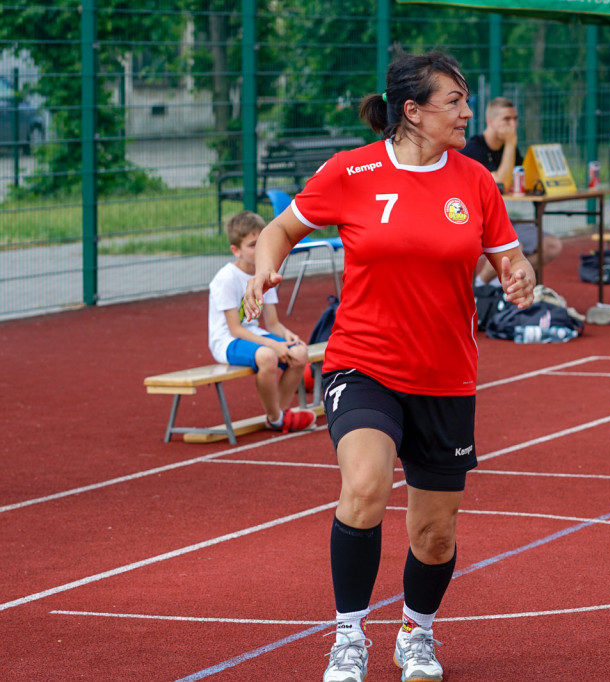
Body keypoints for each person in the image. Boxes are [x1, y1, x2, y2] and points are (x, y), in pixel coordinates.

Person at [242, 50, 535, 682]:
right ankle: (348, 637)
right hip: (363, 362)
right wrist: (267, 265)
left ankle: (416, 634)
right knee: (367, 487)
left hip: (446, 373)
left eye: (465, 100)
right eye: (453, 102)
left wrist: (520, 276)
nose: (467, 112)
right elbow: (279, 230)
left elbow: (509, 256)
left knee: (434, 533)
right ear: (412, 110)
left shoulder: (476, 181)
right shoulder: (352, 171)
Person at [207, 210, 316, 433]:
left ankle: (280, 414)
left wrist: (286, 335)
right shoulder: (226, 278)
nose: (258, 250)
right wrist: (273, 345)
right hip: (226, 341)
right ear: (235, 250)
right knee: (267, 356)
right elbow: (235, 329)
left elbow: (273, 323)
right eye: (252, 245)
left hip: (254, 334)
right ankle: (276, 417)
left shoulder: (264, 274)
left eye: (261, 243)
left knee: (299, 352)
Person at [461, 96, 563, 285]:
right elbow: (502, 184)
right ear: (490, 121)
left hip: (502, 221)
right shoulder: (473, 148)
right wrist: (510, 143)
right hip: (472, 221)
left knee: (551, 246)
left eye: (515, 119)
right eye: (506, 119)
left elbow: (523, 179)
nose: (512, 124)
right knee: (511, 247)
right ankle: (481, 285)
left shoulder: (512, 150)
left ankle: (498, 283)